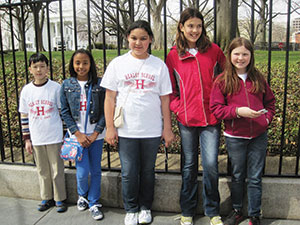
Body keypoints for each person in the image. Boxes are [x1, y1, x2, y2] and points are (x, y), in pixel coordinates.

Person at [101, 20, 174, 225]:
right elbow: (109, 98)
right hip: (126, 130)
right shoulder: (118, 64)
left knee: (148, 171)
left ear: (150, 39)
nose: (138, 43)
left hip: (151, 130)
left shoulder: (159, 65)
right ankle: (131, 208)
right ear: (127, 39)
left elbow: (165, 99)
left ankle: (145, 207)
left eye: (143, 38)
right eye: (134, 38)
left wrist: (167, 128)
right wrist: (109, 127)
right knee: (129, 172)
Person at [165, 7, 226, 225]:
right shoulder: (173, 56)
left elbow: (225, 82)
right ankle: (187, 211)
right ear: (181, 27)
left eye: (199, 26)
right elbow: (170, 90)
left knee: (210, 164)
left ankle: (213, 211)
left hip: (211, 119)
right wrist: (179, 108)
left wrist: (220, 108)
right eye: (190, 26)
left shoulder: (215, 51)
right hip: (187, 120)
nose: (195, 30)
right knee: (189, 165)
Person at [210, 37, 276, 225]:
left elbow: (270, 103)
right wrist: (238, 111)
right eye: (236, 54)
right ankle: (237, 210)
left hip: (258, 136)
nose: (240, 58)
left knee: (255, 176)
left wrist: (266, 119)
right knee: (238, 175)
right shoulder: (222, 80)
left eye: (245, 54)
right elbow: (216, 108)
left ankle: (254, 214)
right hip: (235, 136)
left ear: (251, 56)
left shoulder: (258, 78)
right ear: (229, 55)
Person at [60, 49, 106, 220]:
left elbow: (106, 111)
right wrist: (77, 133)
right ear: (73, 64)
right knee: (82, 170)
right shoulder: (67, 85)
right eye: (77, 62)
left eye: (85, 62)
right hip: (76, 137)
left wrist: (96, 133)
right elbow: (64, 112)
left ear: (91, 64)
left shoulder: (99, 84)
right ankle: (82, 196)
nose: (81, 66)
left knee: (95, 170)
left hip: (96, 136)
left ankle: (94, 202)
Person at [19, 53, 67, 213]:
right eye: (35, 67)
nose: (39, 70)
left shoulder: (55, 88)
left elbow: (62, 112)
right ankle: (46, 197)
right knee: (42, 170)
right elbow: (24, 116)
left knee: (57, 169)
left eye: (42, 66)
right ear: (30, 69)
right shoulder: (26, 91)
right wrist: (27, 139)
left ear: (47, 68)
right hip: (37, 137)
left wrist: (65, 135)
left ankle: (60, 198)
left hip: (54, 135)